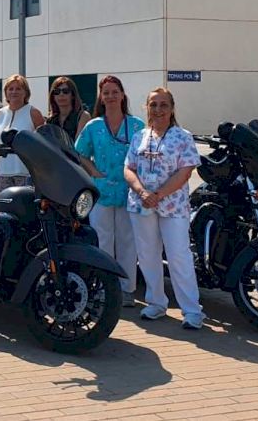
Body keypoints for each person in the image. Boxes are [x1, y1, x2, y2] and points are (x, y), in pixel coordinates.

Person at [123, 87, 204, 329]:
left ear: (172, 108)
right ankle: (156, 303)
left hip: (173, 206)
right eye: (153, 105)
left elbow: (185, 171)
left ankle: (192, 311)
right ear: (146, 108)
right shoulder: (139, 136)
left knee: (179, 255)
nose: (158, 110)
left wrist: (158, 195)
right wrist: (142, 192)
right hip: (141, 204)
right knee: (147, 255)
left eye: (163, 105)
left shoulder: (183, 136)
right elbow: (129, 168)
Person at [75, 75, 146, 305]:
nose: (111, 96)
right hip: (102, 192)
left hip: (129, 192)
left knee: (127, 241)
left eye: (115, 92)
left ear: (122, 95)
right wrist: (93, 172)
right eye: (106, 92)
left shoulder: (136, 126)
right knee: (102, 241)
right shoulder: (94, 126)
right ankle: (103, 288)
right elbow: (80, 153)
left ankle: (127, 289)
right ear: (101, 97)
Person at [0, 75, 45, 193]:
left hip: (26, 173)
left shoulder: (33, 113)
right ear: (6, 92)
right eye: (10, 89)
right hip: (3, 173)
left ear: (26, 92)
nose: (14, 92)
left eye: (18, 88)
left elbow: (42, 143)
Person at [47, 76, 92, 143]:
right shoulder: (50, 121)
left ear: (73, 95)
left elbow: (78, 144)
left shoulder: (83, 116)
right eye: (57, 92)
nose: (61, 94)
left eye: (65, 91)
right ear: (53, 96)